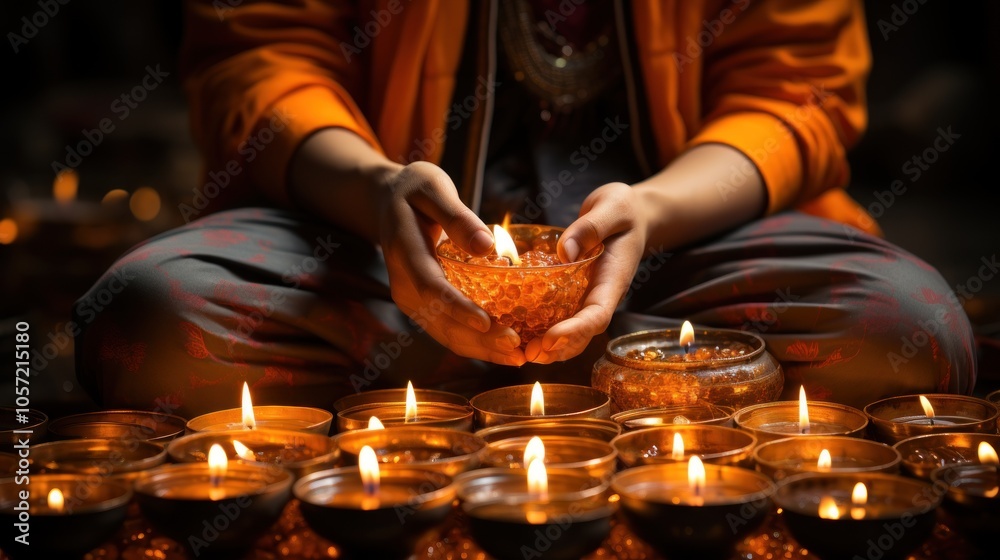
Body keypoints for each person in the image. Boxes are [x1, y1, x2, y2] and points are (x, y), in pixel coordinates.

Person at [72, 0, 976, 418]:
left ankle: (492, 381)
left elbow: (800, 87)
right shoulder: (377, 210)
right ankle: (654, 381)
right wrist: (378, 191)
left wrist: (656, 210)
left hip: (688, 238)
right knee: (153, 317)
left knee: (904, 328)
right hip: (379, 247)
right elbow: (255, 52)